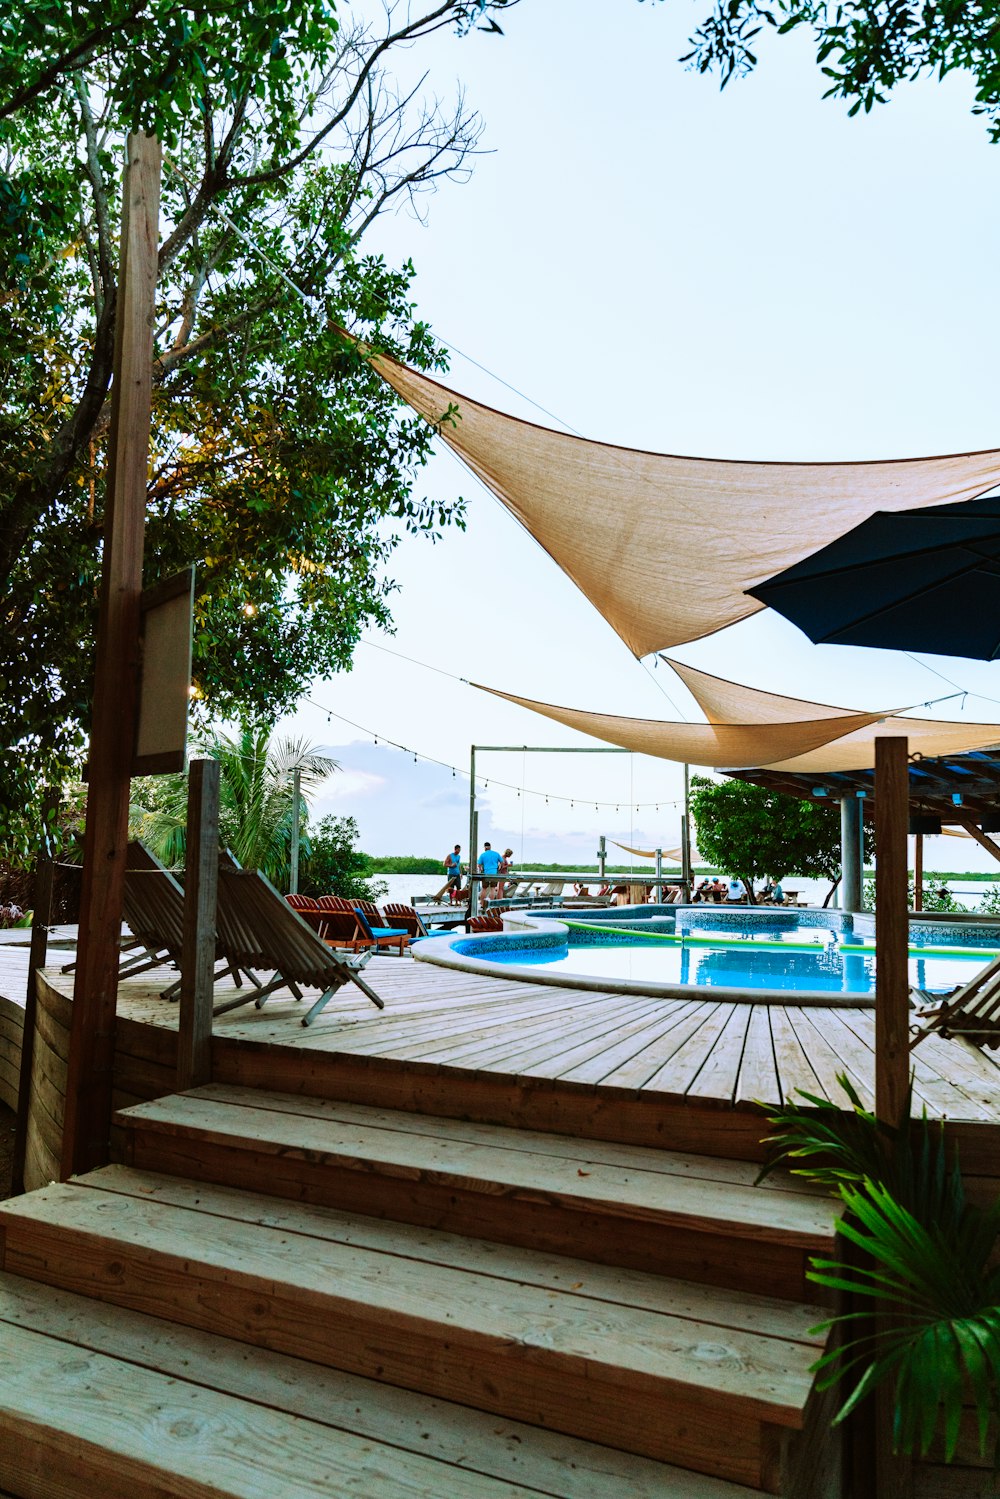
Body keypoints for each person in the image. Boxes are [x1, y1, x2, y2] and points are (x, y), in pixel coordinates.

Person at [477, 841, 503, 909]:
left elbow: (479, 865)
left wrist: (481, 870)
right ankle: (490, 904)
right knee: (492, 888)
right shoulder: (496, 854)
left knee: (484, 889)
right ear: (490, 847)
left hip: (486, 873)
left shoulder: (482, 855)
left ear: (485, 848)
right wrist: (499, 868)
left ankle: (482, 904)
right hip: (494, 873)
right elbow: (502, 862)